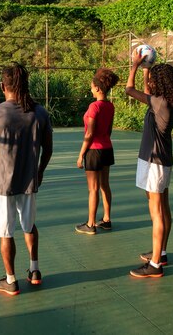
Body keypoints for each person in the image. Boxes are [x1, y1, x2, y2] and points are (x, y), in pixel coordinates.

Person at [0, 63, 53, 296]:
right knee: (29, 225)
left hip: (2, 185)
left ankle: (10, 280)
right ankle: (34, 270)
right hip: (29, 182)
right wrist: (39, 172)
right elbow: (48, 148)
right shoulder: (40, 112)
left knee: (6, 231)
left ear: (2, 86)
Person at [125, 48, 173, 278]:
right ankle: (161, 252)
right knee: (163, 207)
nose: (149, 82)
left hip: (154, 161)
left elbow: (129, 90)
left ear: (160, 83)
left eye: (152, 79)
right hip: (162, 160)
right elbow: (146, 92)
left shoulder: (159, 103)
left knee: (157, 211)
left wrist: (134, 65)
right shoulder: (166, 100)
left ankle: (154, 265)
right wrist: (146, 70)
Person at [75, 68, 119, 235]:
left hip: (94, 151)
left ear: (98, 88)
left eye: (92, 87)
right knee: (104, 185)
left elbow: (90, 133)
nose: (91, 89)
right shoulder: (110, 106)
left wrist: (81, 155)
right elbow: (108, 130)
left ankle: (91, 224)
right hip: (107, 149)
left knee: (93, 189)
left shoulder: (94, 106)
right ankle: (106, 220)